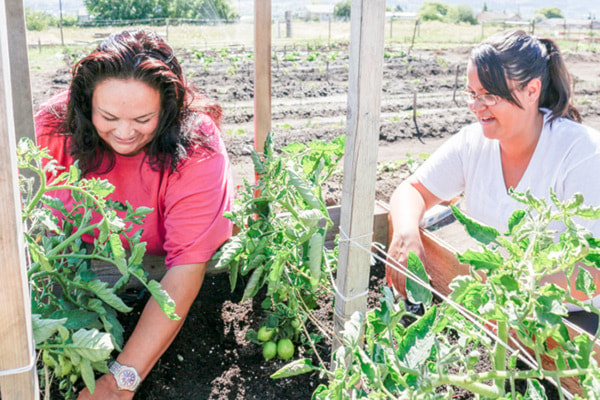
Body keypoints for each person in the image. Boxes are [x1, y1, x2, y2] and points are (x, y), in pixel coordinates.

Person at [35, 29, 233, 399]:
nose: (124, 133)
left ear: (169, 109)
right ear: (85, 104)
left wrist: (119, 382)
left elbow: (185, 269)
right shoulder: (53, 125)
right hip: (80, 271)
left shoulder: (195, 146)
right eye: (108, 116)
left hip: (160, 275)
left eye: (144, 119)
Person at [386, 30, 600, 308]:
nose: (476, 107)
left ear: (532, 90)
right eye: (471, 94)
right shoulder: (472, 143)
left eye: (489, 96)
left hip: (572, 321)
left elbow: (593, 272)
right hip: (497, 308)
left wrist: (510, 291)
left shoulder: (582, 153)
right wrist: (405, 233)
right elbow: (412, 191)